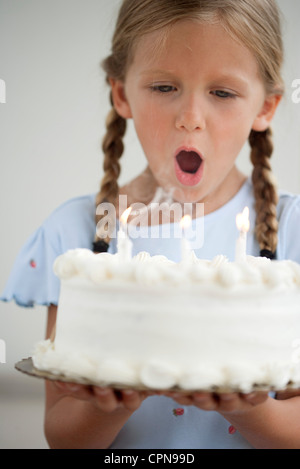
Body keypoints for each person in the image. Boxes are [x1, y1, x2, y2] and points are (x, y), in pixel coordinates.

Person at [2, 0, 300, 449]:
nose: (191, 118)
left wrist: (245, 404)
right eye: (164, 87)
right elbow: (63, 438)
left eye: (222, 92)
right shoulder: (78, 235)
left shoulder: (291, 231)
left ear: (266, 107)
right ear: (121, 94)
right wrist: (119, 397)